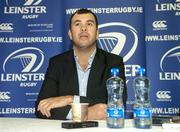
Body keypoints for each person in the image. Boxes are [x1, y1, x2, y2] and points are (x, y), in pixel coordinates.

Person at [35, 8, 127, 120]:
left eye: (89, 24)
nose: (84, 28)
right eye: (78, 24)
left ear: (97, 33)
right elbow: (41, 107)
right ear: (70, 34)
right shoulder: (57, 63)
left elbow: (116, 105)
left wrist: (70, 99)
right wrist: (86, 114)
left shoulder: (114, 62)